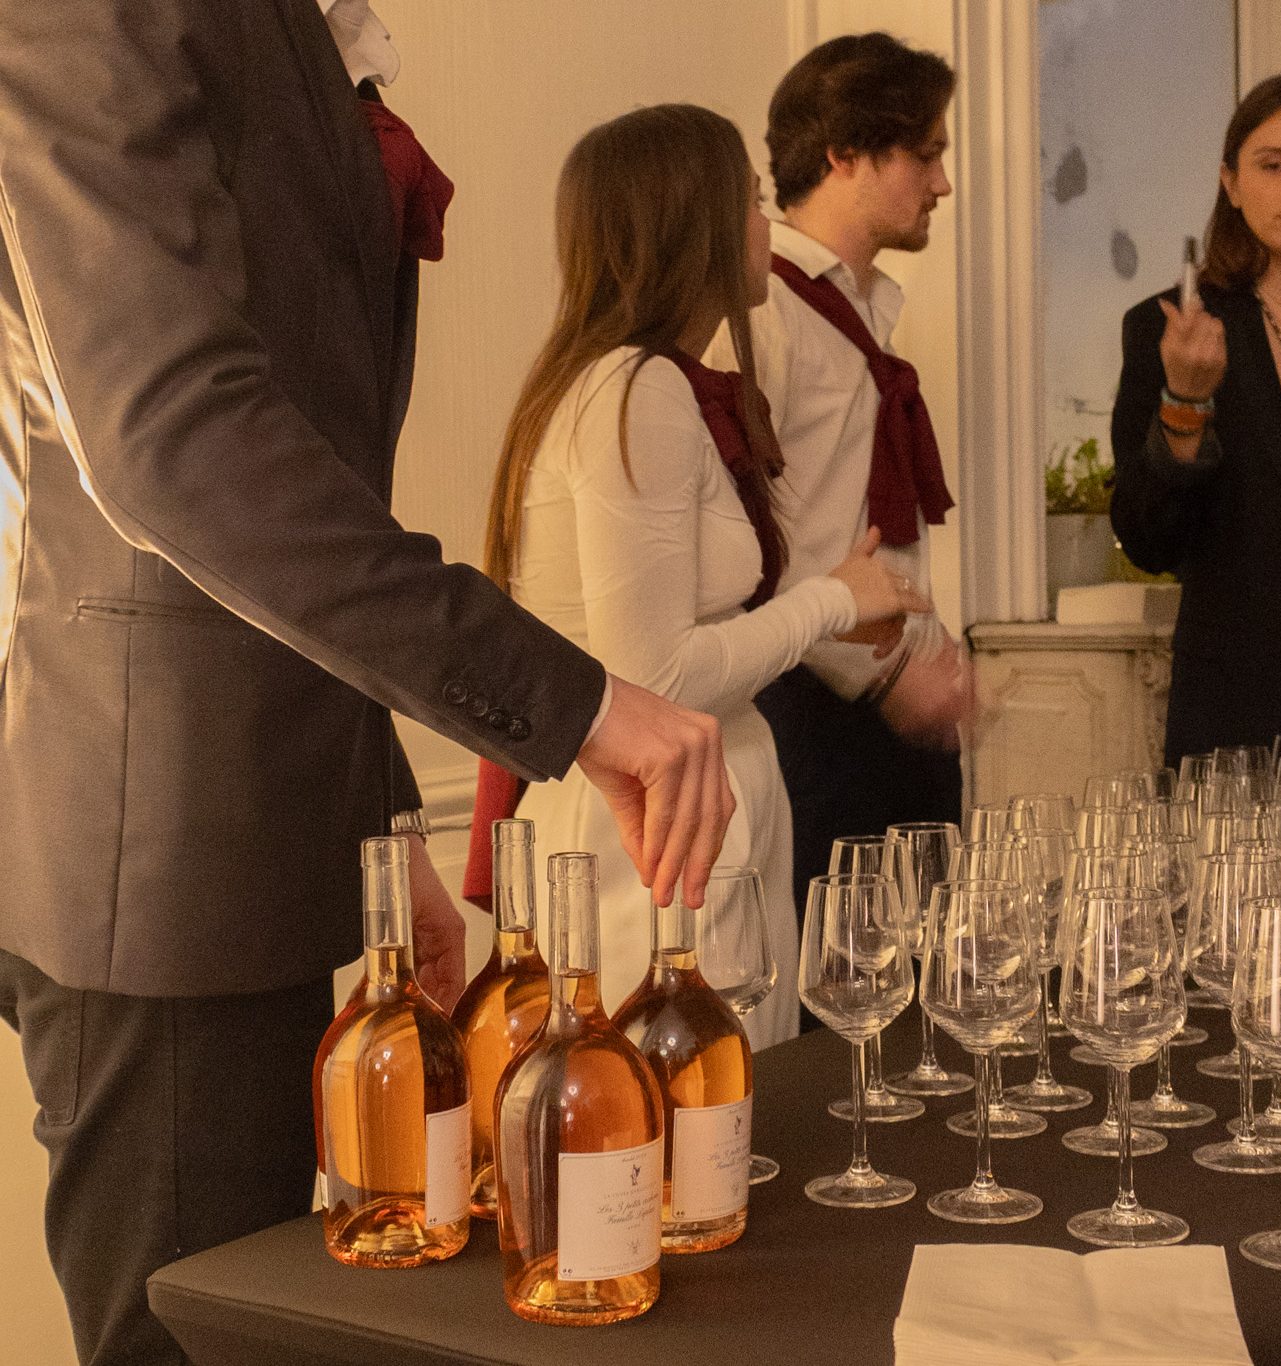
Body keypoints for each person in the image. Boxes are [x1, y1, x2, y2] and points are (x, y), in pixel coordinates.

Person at [0, 5, 731, 1363]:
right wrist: (581, 703)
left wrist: (384, 827)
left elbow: (307, 494)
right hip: (165, 851)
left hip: (262, 819)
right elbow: (176, 448)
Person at [482, 102, 919, 1046]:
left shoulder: (630, 382)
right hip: (657, 829)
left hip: (695, 810)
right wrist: (831, 601)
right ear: (694, 224)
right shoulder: (635, 389)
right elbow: (656, 679)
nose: (765, 224)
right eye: (752, 202)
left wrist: (828, 601)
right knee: (687, 1116)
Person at [706, 33, 973, 948]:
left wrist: (923, 651)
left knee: (925, 980)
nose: (942, 183)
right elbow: (738, 545)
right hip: (806, 713)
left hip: (887, 703)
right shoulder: (758, 313)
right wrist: (885, 674)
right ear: (844, 156)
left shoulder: (860, 311)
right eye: (925, 155)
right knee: (835, 990)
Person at [1111, 72, 1281, 766]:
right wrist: (1185, 402)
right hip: (1236, 713)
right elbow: (1148, 542)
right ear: (1231, 183)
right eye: (1272, 165)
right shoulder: (1167, 327)